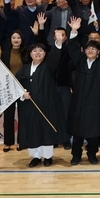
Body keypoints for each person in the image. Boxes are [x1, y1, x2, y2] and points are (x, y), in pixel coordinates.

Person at [16, 30, 68, 167]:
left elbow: (55, 56)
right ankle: (36, 156)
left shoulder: (48, 66)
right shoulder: (24, 69)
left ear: (45, 54)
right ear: (30, 54)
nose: (37, 53)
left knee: (46, 131)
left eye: (41, 51)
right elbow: (16, 84)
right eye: (34, 51)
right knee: (32, 130)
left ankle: (48, 156)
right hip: (29, 106)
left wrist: (58, 42)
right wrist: (22, 94)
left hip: (46, 105)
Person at [67, 17, 100, 166]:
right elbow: (72, 49)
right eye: (88, 48)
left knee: (93, 131)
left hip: (95, 103)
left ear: (98, 52)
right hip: (79, 102)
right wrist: (74, 31)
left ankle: (92, 154)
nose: (90, 50)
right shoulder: (79, 62)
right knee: (77, 131)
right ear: (84, 51)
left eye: (94, 49)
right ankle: (76, 155)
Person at [0, 29, 30, 152]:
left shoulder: (26, 53)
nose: (16, 40)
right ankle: (8, 143)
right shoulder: (5, 53)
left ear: (22, 40)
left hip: (22, 88)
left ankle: (21, 142)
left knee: (23, 115)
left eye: (18, 38)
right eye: (14, 38)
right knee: (8, 116)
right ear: (10, 40)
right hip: (9, 88)